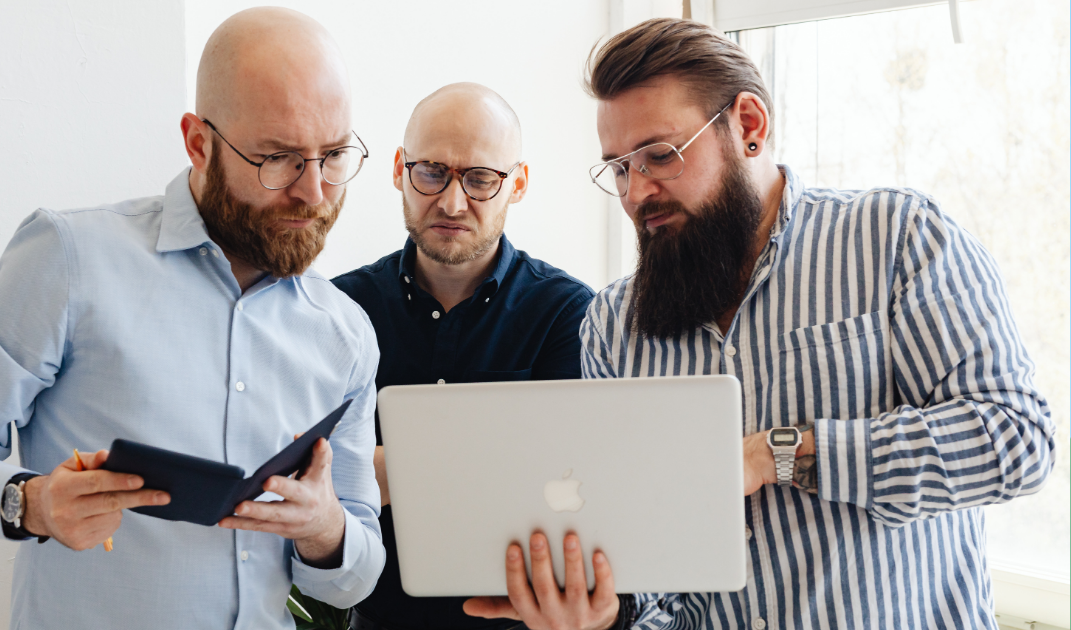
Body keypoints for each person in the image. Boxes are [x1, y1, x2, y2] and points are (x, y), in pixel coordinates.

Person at [0, 8, 384, 629]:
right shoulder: (68, 258)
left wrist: (325, 527)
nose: (313, 191)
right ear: (199, 144)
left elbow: (355, 574)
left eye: (334, 155)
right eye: (278, 158)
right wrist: (31, 503)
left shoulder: (346, 333)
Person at [562, 18, 1055, 629]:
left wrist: (781, 454)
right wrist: (610, 614)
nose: (636, 193)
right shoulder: (610, 327)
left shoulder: (898, 240)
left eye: (660, 156)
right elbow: (653, 574)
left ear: (748, 126)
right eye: (618, 169)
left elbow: (1016, 440)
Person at [331, 82, 605, 630]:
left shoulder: (569, 312)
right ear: (397, 170)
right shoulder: (338, 309)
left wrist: (377, 469)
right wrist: (490, 465)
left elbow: (575, 481)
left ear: (518, 185)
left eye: (481, 179)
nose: (452, 202)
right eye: (431, 171)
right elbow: (309, 474)